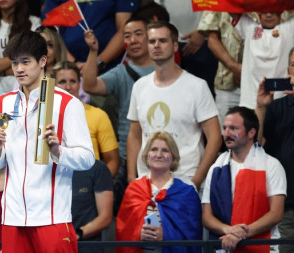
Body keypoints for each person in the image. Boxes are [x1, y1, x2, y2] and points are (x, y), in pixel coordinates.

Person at [0, 31, 95, 252]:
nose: (19, 69)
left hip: (52, 216)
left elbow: (87, 159)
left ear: (43, 61)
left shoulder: (67, 104)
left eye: (25, 62)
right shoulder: (3, 103)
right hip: (13, 217)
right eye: (15, 62)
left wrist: (58, 151)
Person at [127, 22, 222, 188]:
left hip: (185, 180)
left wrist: (196, 181)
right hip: (146, 183)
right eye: (152, 41)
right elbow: (134, 135)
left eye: (163, 41)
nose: (156, 45)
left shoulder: (197, 87)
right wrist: (131, 178)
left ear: (175, 46)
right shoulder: (139, 86)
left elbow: (214, 138)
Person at [202, 107, 286, 252]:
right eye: (225, 128)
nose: (226, 133)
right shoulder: (215, 168)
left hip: (262, 246)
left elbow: (276, 213)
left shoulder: (272, 165)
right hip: (223, 244)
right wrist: (228, 230)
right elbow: (206, 216)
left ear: (251, 132)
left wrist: (242, 233)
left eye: (233, 128)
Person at [81, 16, 154, 174]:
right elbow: (89, 85)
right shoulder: (120, 73)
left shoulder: (167, 70)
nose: (133, 40)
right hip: (128, 154)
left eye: (138, 34)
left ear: (150, 36)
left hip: (161, 150)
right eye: (127, 36)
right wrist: (93, 52)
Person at [116, 131, 202, 252]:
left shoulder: (186, 192)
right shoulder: (134, 189)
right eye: (154, 149)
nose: (159, 154)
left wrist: (166, 236)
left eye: (165, 150)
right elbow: (123, 230)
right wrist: (138, 235)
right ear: (147, 155)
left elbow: (192, 235)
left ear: (173, 158)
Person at [53, 62, 119, 178]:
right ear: (52, 85)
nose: (68, 87)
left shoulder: (98, 115)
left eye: (73, 81)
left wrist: (99, 185)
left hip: (88, 185)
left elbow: (112, 160)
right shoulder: (44, 116)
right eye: (62, 82)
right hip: (56, 181)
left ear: (80, 84)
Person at [257, 54, 294, 253]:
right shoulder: (277, 108)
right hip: (285, 205)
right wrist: (261, 108)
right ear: (288, 70)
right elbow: (254, 147)